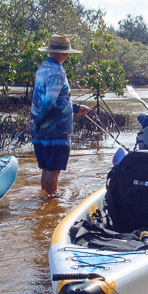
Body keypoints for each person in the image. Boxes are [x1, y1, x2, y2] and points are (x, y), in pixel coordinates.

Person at [28, 33, 91, 194]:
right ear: (64, 53)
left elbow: (55, 99)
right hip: (54, 129)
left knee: (46, 168)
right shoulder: (57, 71)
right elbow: (49, 101)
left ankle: (44, 203)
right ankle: (51, 207)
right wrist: (39, 121)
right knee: (54, 171)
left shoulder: (43, 68)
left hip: (41, 128)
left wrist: (76, 108)